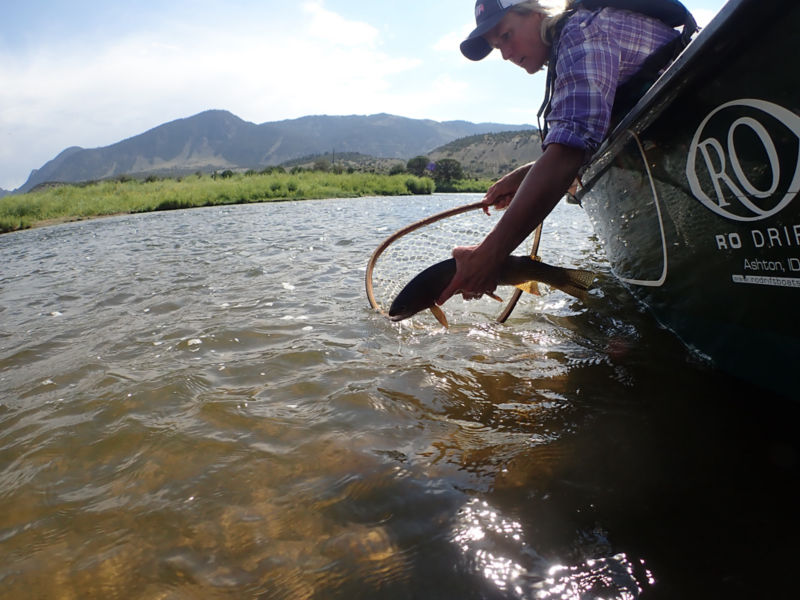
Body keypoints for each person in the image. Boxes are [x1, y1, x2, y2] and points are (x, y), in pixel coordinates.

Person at [438, 0, 685, 304]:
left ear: (537, 11)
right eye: (495, 46)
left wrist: (489, 255)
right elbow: (581, 138)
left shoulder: (582, 33)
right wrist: (523, 176)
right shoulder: (572, 44)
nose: (505, 54)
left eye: (506, 36)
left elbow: (568, 153)